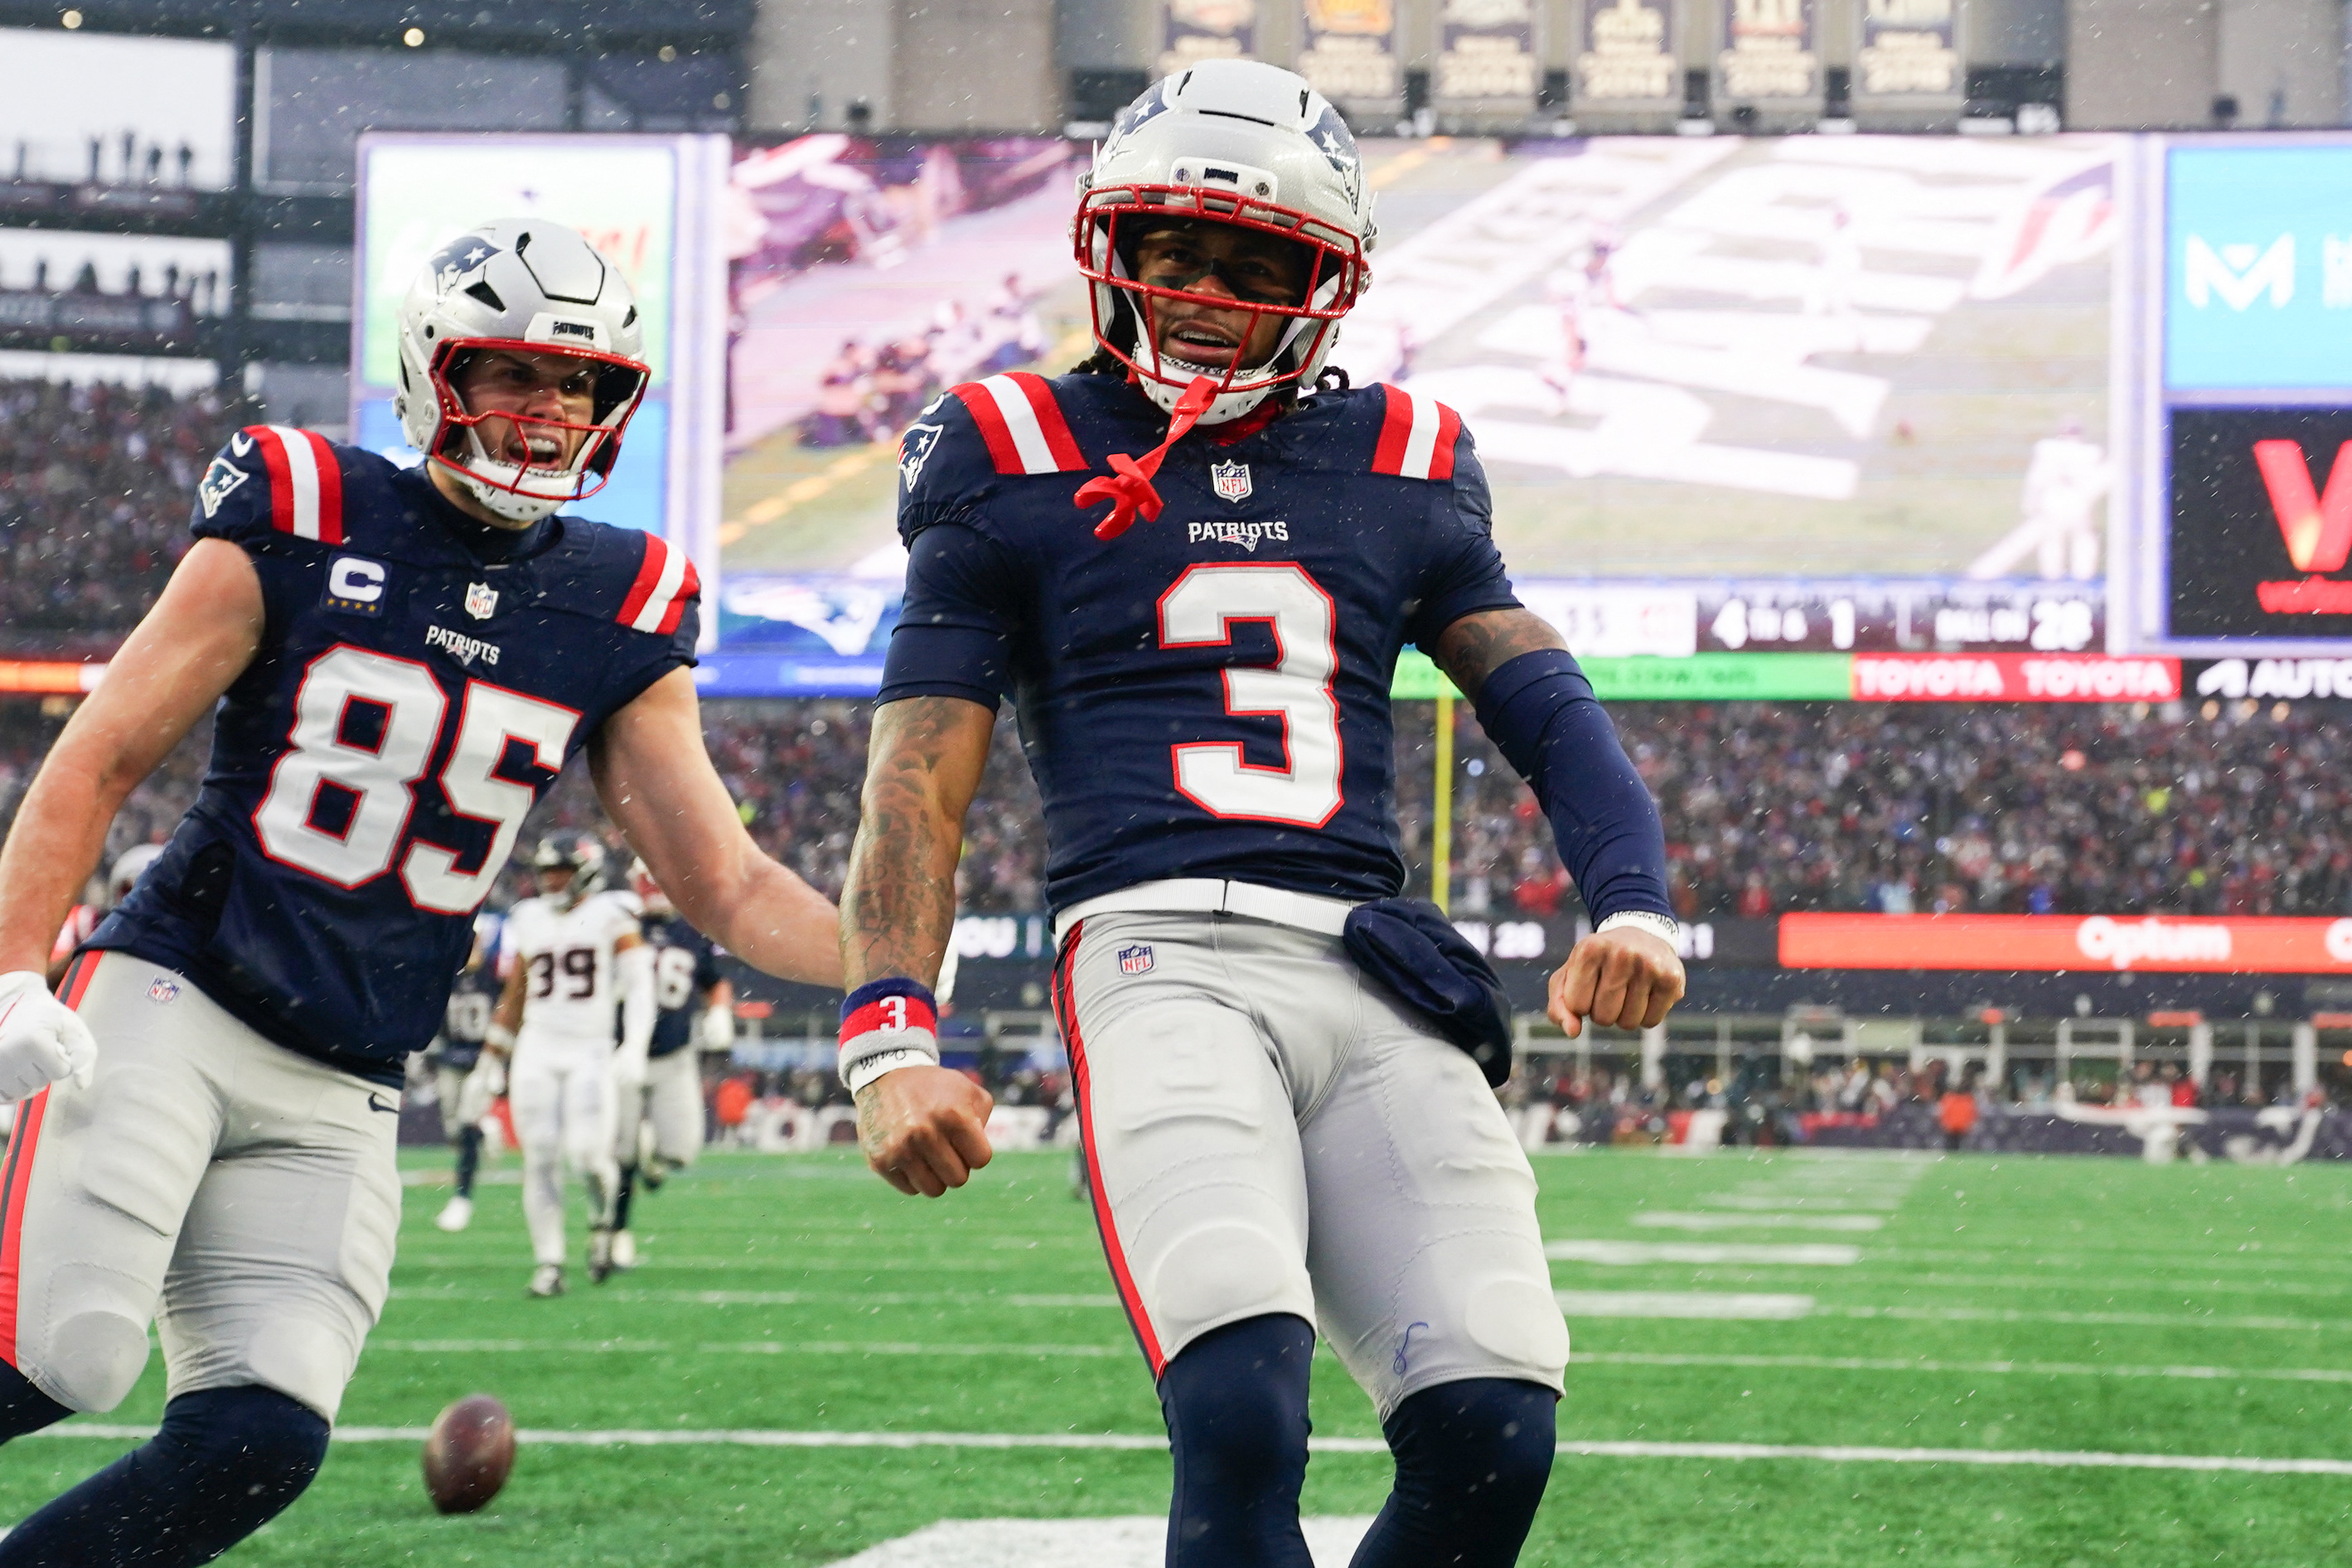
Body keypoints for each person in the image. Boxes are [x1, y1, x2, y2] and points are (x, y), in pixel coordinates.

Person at [837, 62, 1687, 1568]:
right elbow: (918, 774)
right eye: (1171, 251)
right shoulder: (1009, 444)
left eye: (1256, 263)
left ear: (1325, 283)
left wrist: (1629, 899)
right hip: (1156, 952)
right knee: (1240, 1410)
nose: (1207, 292)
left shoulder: (1400, 458)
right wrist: (892, 1033)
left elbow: (1542, 703)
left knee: (1494, 1424)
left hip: (1371, 967)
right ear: (1113, 248)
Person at [0, 216, 841, 1566]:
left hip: (349, 1066)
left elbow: (726, 881)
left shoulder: (621, 599)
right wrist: (10, 971)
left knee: (257, 1440)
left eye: (580, 385)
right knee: (58, 1354)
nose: (548, 410)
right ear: (431, 367)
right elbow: (98, 753)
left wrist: (891, 956)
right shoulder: (305, 505)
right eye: (514, 373)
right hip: (179, 991)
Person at [489, 833, 650, 1295]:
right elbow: (516, 992)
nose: (551, 880)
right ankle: (549, 1263)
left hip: (590, 1048)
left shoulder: (612, 913)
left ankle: (602, 1221)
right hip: (538, 1047)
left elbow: (640, 984)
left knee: (587, 1157)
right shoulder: (528, 917)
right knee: (538, 1156)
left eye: (560, 870)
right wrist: (492, 1055)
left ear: (586, 872)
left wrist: (634, 1044)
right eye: (545, 872)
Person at [608, 857, 733, 1269]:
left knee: (681, 1152)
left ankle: (656, 1159)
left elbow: (715, 983)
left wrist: (719, 1011)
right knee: (620, 1155)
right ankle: (618, 1232)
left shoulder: (689, 932)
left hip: (675, 1055)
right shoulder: (619, 928)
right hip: (622, 1055)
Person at [428, 913, 504, 1233]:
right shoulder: (449, 975)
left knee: (466, 1124)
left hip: (480, 1059)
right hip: (451, 1058)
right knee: (455, 1130)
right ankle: (487, 1131)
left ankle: (462, 1198)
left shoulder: (493, 979)